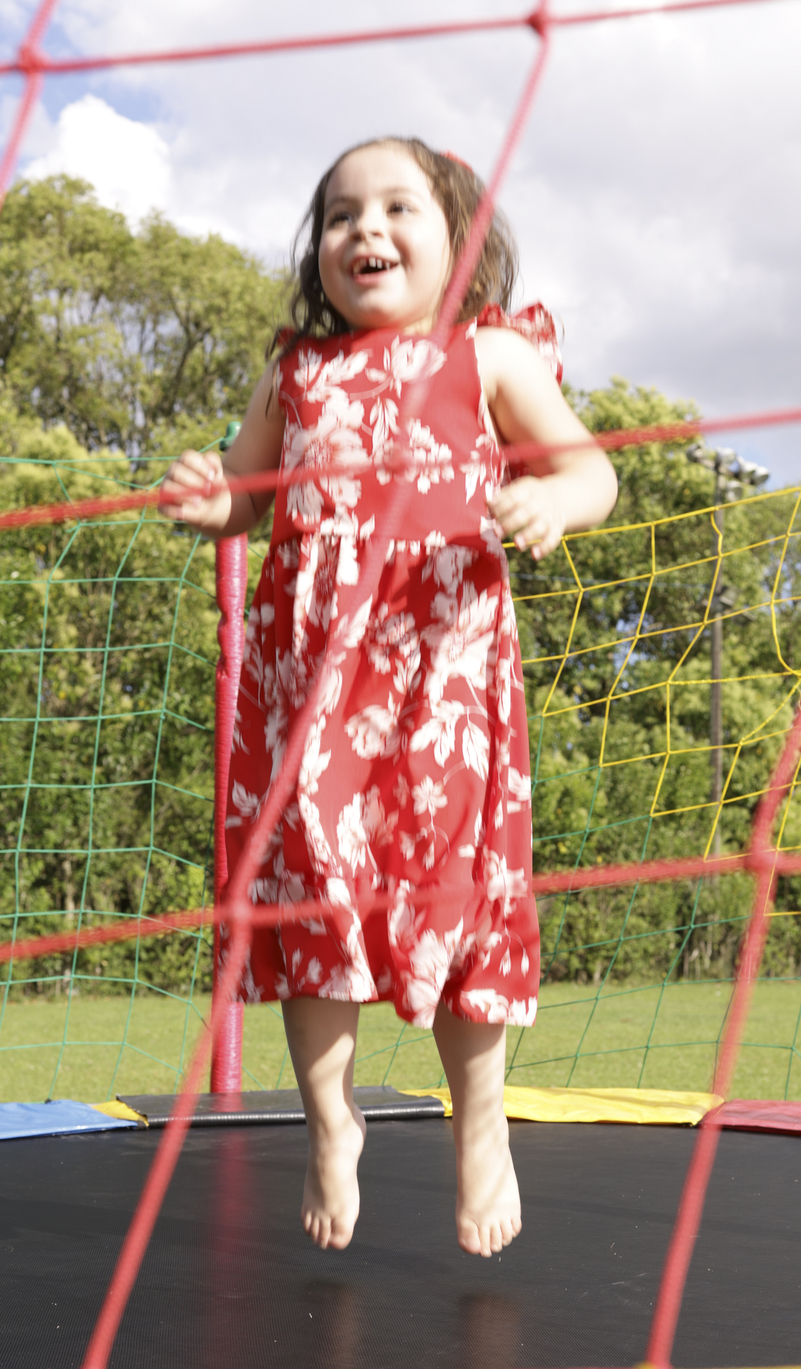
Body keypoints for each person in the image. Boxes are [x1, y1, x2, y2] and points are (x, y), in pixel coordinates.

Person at [161, 137, 616, 1258]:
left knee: (460, 891)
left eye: (397, 208)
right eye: (340, 216)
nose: (365, 230)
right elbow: (250, 497)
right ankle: (330, 1121)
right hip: (311, 692)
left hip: (442, 681)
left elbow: (591, 469)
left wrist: (553, 505)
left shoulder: (488, 356)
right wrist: (214, 504)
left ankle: (481, 1123)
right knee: (314, 894)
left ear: (459, 241)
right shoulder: (294, 374)